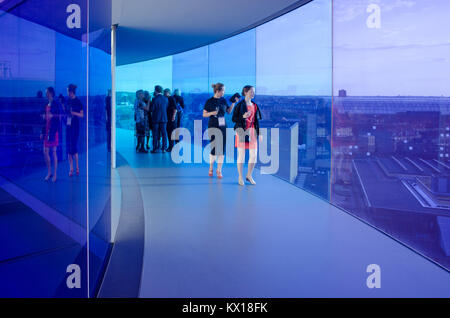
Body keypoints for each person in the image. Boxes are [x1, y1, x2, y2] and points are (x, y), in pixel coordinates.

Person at [203, 83, 239, 178]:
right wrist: (212, 113)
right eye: (223, 90)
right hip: (213, 125)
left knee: (222, 149)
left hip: (223, 125)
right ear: (217, 91)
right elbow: (204, 114)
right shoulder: (209, 101)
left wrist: (233, 103)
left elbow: (228, 111)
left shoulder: (223, 100)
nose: (224, 92)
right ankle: (211, 168)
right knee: (214, 148)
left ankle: (219, 170)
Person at [232, 85, 262, 186]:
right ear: (245, 92)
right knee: (242, 155)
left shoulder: (255, 105)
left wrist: (259, 133)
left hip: (252, 131)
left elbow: (256, 121)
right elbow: (234, 119)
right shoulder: (239, 105)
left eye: (254, 92)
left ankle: (249, 175)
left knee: (253, 156)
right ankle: (240, 176)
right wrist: (242, 117)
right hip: (241, 131)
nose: (253, 93)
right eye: (251, 92)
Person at [41, 87, 61, 182]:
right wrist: (42, 131)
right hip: (46, 130)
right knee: (45, 151)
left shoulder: (56, 103)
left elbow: (58, 116)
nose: (46, 94)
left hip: (53, 131)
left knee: (53, 152)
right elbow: (44, 119)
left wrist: (53, 116)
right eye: (46, 93)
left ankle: (55, 174)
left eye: (47, 92)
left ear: (51, 93)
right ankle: (49, 172)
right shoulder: (46, 104)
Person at [66, 84, 84, 176]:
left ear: (71, 92)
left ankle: (77, 166)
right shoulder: (68, 101)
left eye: (68, 91)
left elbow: (82, 115)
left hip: (75, 127)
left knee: (74, 147)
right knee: (69, 148)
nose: (67, 93)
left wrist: (73, 113)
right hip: (68, 127)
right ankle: (71, 168)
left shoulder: (78, 102)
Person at [150, 85, 168, 153]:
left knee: (155, 134)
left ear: (155, 90)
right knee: (164, 134)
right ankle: (164, 148)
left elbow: (152, 109)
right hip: (164, 119)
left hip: (156, 119)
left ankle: (155, 148)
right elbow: (166, 107)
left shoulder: (154, 99)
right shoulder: (166, 99)